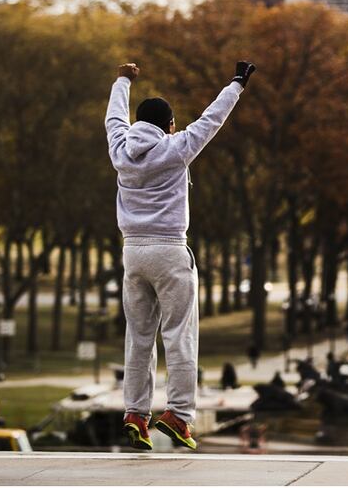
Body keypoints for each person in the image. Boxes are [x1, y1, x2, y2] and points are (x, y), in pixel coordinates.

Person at [107, 60, 255, 451]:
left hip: (132, 253)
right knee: (179, 336)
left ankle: (135, 414)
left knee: (138, 337)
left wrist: (122, 80)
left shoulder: (120, 149)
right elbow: (212, 119)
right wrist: (237, 83)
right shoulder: (177, 148)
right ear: (169, 125)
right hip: (170, 250)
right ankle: (179, 415)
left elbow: (113, 117)